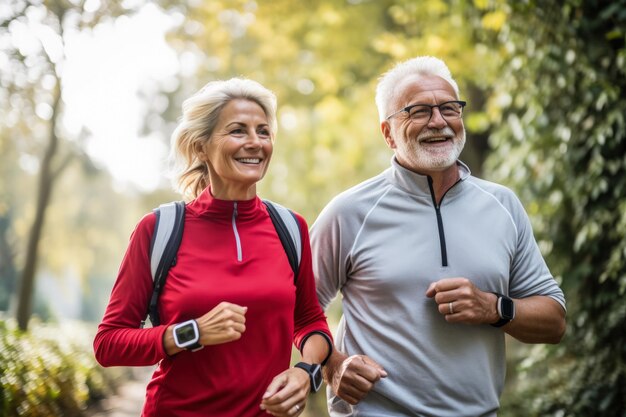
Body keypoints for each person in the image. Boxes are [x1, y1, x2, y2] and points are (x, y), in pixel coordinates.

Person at [310, 56, 566, 417]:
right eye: (418, 111)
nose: (439, 121)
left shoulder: (502, 204)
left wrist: (494, 308)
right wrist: (333, 365)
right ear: (388, 133)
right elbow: (296, 310)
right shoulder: (349, 212)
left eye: (449, 108)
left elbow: (554, 321)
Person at [94, 78, 333, 417]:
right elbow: (108, 344)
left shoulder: (290, 228)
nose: (255, 143)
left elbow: (310, 321)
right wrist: (192, 332)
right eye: (238, 131)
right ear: (201, 146)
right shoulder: (159, 229)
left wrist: (305, 372)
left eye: (263, 132)